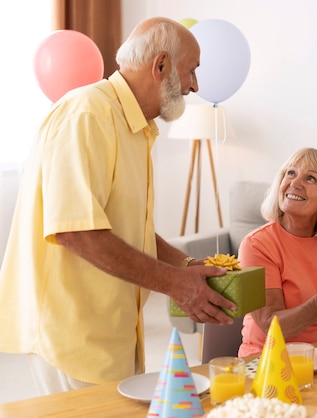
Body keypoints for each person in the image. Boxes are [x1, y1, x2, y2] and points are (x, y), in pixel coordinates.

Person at [0, 17, 237, 395]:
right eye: (192, 70)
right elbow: (77, 231)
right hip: (72, 331)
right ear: (160, 66)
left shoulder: (135, 126)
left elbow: (129, 229)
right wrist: (176, 284)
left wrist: (188, 266)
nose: (195, 85)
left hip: (113, 328)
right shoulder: (88, 114)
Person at [238, 148, 317, 357]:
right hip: (270, 359)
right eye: (291, 173)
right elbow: (268, 325)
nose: (295, 183)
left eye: (310, 178)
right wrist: (316, 307)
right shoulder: (257, 245)